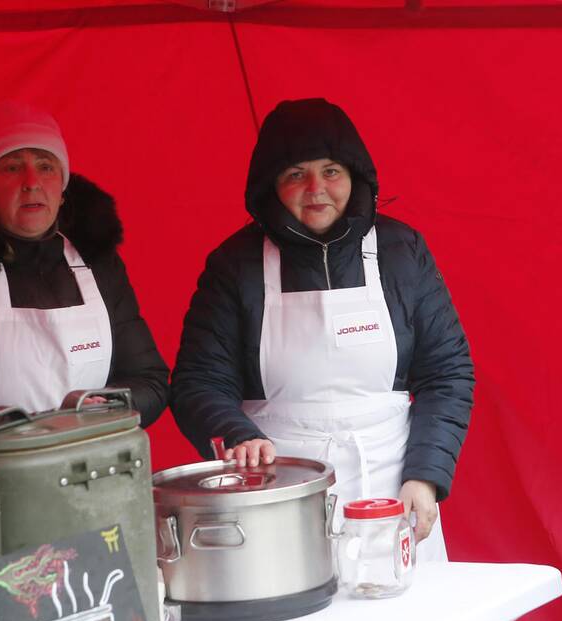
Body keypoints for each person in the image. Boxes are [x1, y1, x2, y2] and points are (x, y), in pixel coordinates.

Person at [170, 98, 474, 556]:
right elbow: (198, 382)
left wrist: (426, 475)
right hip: (278, 495)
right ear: (272, 186)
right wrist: (236, 433)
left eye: (331, 171)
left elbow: (447, 373)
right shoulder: (236, 264)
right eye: (296, 174)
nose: (316, 189)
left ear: (355, 176)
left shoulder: (400, 250)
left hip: (395, 490)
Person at [0, 100, 169, 453]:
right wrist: (29, 430)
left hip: (102, 475)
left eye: (46, 167)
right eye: (11, 167)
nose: (32, 183)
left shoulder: (99, 265)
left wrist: (102, 409)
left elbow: (152, 381)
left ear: (63, 189)